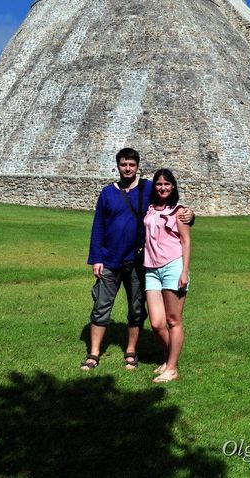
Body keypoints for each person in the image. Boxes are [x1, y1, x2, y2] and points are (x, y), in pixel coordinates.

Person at [81, 148, 193, 371]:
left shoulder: (148, 187)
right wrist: (96, 258)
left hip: (138, 260)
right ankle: (93, 353)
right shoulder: (107, 193)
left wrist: (190, 215)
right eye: (124, 164)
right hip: (110, 259)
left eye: (132, 164)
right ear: (118, 166)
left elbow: (169, 202)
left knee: (136, 308)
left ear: (137, 166)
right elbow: (98, 226)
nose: (128, 168)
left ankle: (132, 351)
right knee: (101, 305)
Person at [144, 168, 191, 383]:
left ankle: (171, 368)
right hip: (151, 268)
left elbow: (186, 241)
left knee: (174, 320)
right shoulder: (151, 208)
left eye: (167, 184)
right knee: (156, 322)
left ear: (173, 187)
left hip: (173, 267)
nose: (163, 188)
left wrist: (184, 272)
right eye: (159, 184)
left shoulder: (179, 211)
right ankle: (168, 358)